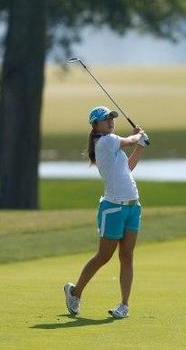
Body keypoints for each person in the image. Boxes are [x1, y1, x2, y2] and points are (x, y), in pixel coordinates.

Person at [63, 105, 149, 319]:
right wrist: (138, 136)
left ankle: (124, 305)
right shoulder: (105, 141)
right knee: (104, 256)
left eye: (112, 117)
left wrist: (141, 146)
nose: (110, 121)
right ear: (95, 125)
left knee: (127, 255)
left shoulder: (112, 146)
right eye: (106, 118)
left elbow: (127, 168)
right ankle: (74, 292)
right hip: (113, 208)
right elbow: (128, 141)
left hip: (132, 206)